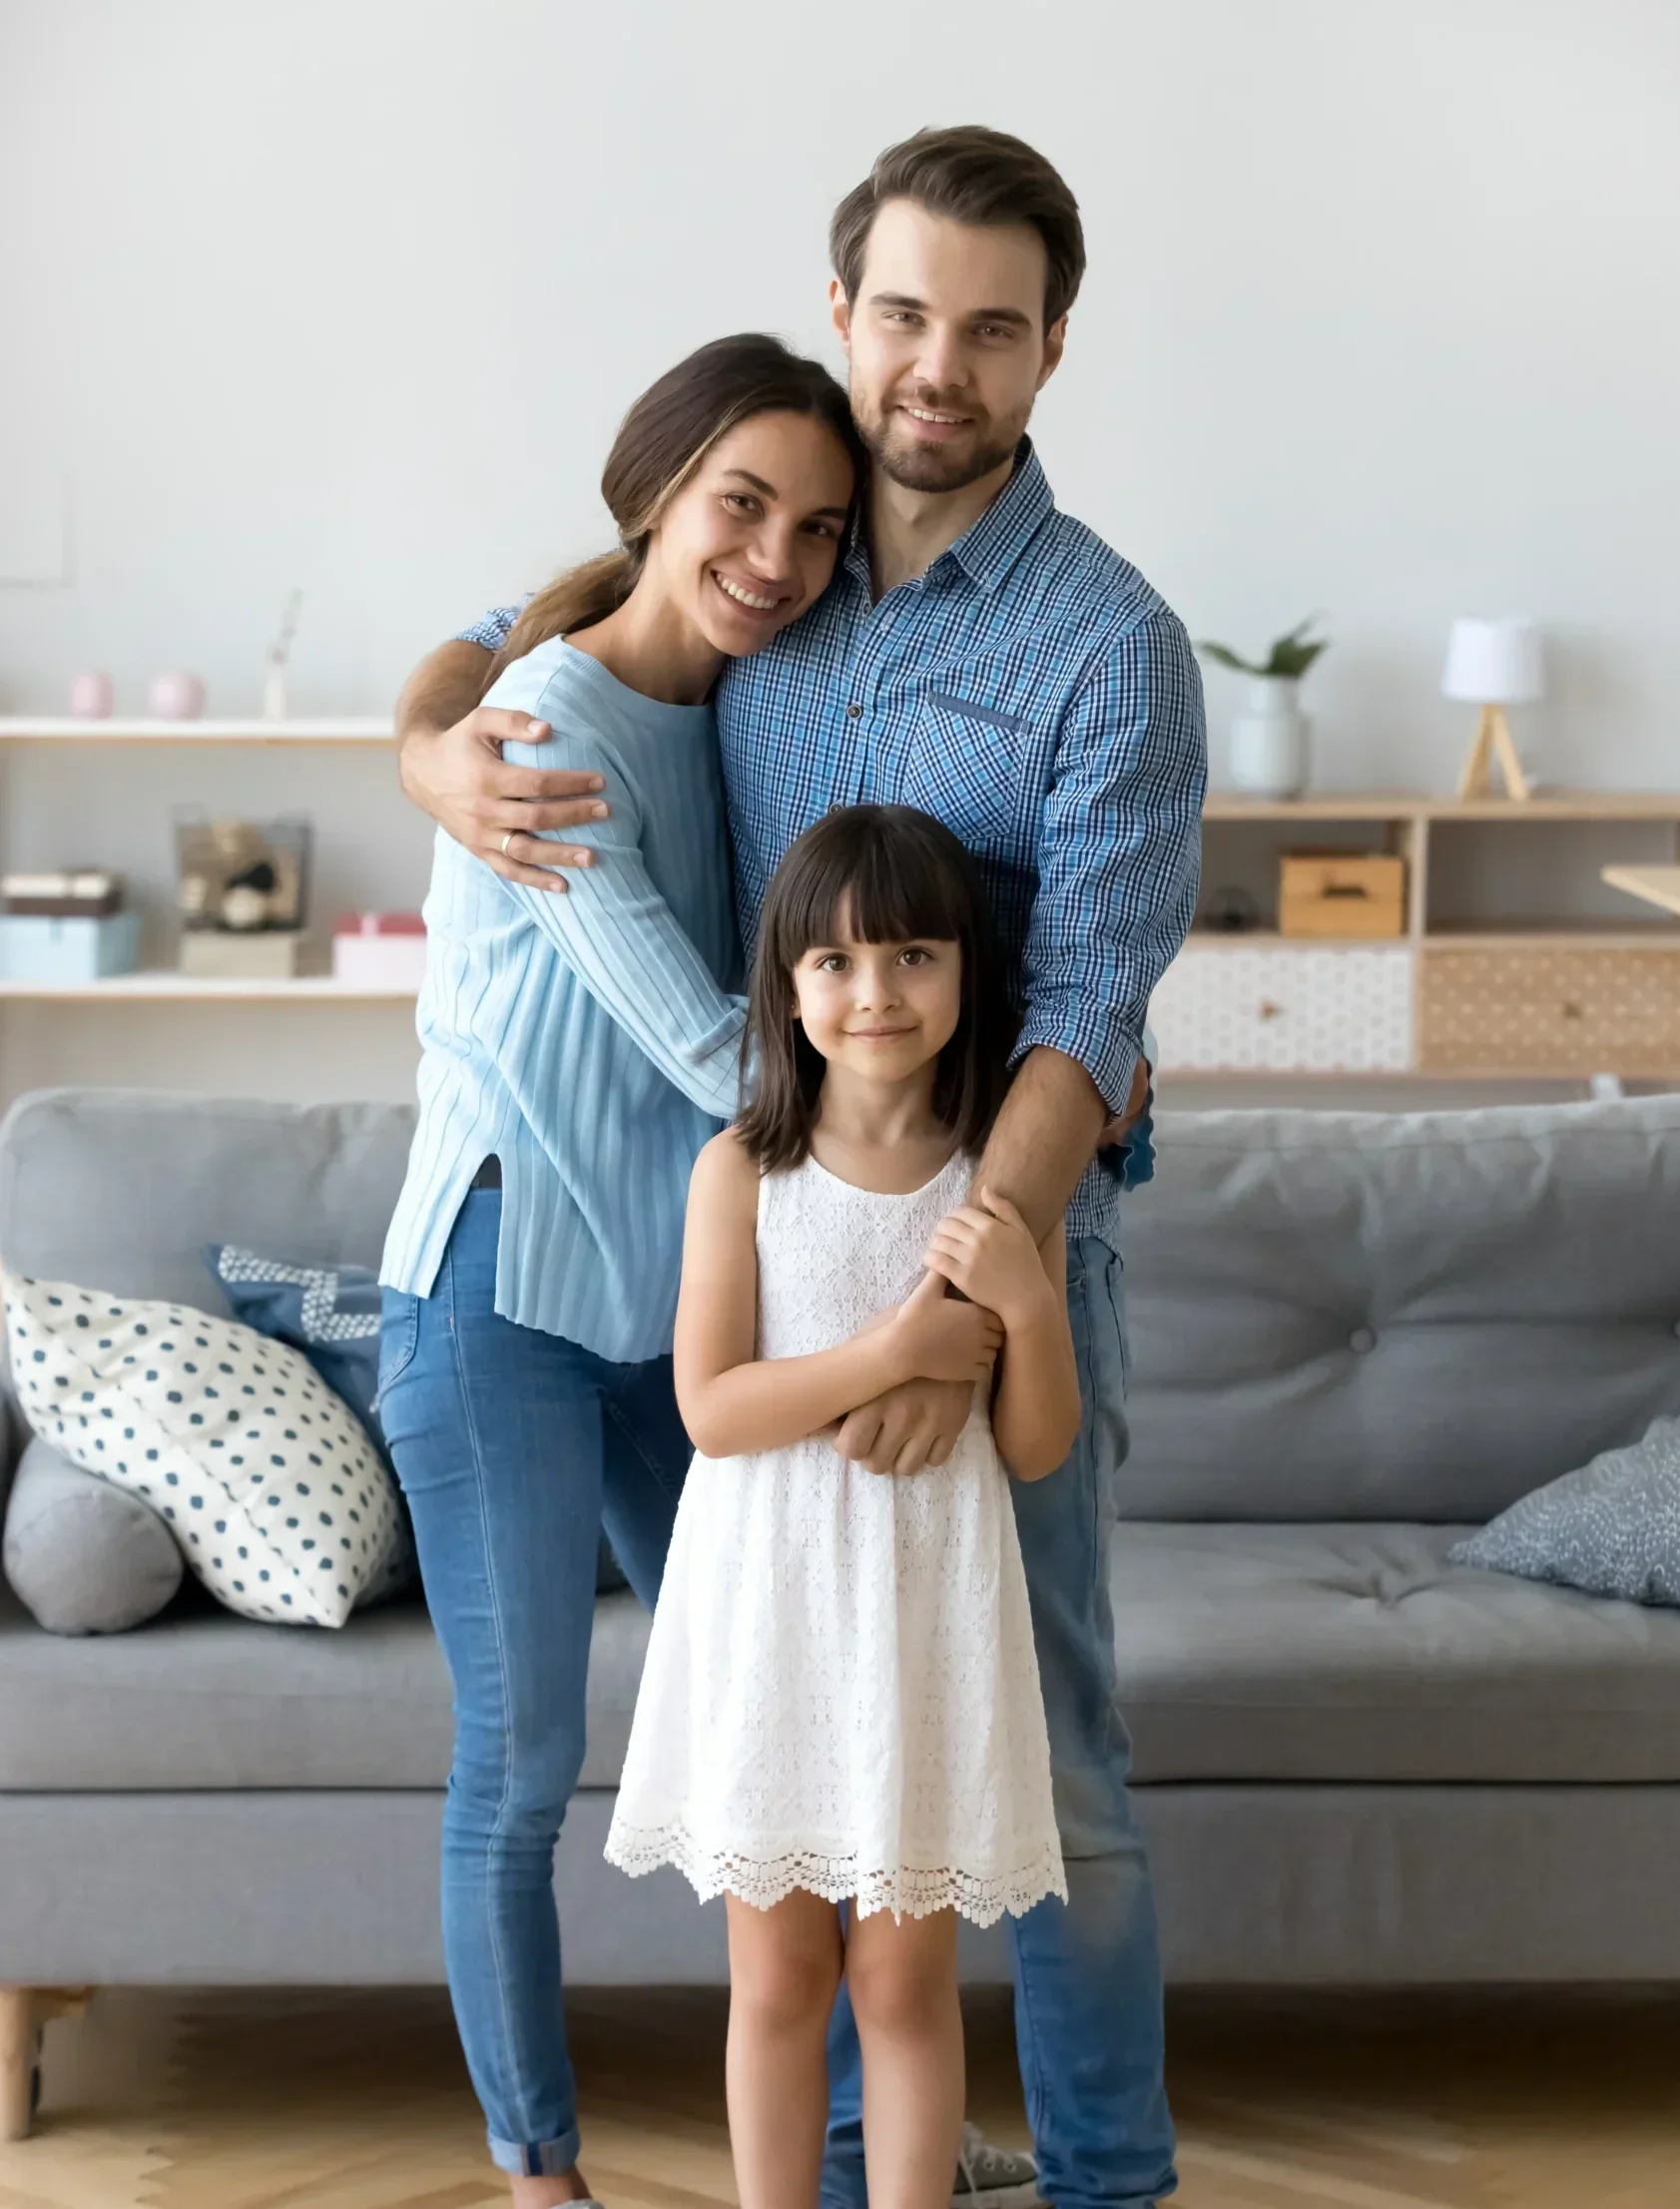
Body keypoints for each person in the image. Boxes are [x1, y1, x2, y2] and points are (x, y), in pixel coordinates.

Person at [395, 127, 1207, 2209]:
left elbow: (1091, 1005)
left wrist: (969, 1281)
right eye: (909, 314)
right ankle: (857, 2171)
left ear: (1048, 355)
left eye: (994, 328)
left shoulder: (1111, 645)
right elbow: (521, 630)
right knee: (815, 1758)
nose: (943, 362)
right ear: (846, 315)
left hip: (998, 1247)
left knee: (1056, 1764)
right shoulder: (783, 554)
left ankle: (1112, 2175)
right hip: (773, 1248)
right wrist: (422, 744)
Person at [376, 332, 872, 2206]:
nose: (773, 557)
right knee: (524, 1768)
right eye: (740, 506)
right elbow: (687, 1032)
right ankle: (538, 2173)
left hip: (671, 1321)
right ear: (657, 490)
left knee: (780, 1728)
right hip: (494, 1298)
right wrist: (959, 1126)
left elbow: (476, 615)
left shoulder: (750, 690)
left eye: (816, 530)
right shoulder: (545, 727)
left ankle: (846, 2143)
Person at [608, 804, 1076, 2209]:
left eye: (913, 957)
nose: (875, 995)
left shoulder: (999, 1184)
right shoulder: (740, 1173)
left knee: (901, 1972)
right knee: (779, 1974)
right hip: (771, 1606)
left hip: (927, 1608)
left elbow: (1037, 1445)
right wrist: (894, 1349)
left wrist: (1023, 1303)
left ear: (963, 975)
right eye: (836, 964)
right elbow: (713, 1409)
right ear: (787, 985)